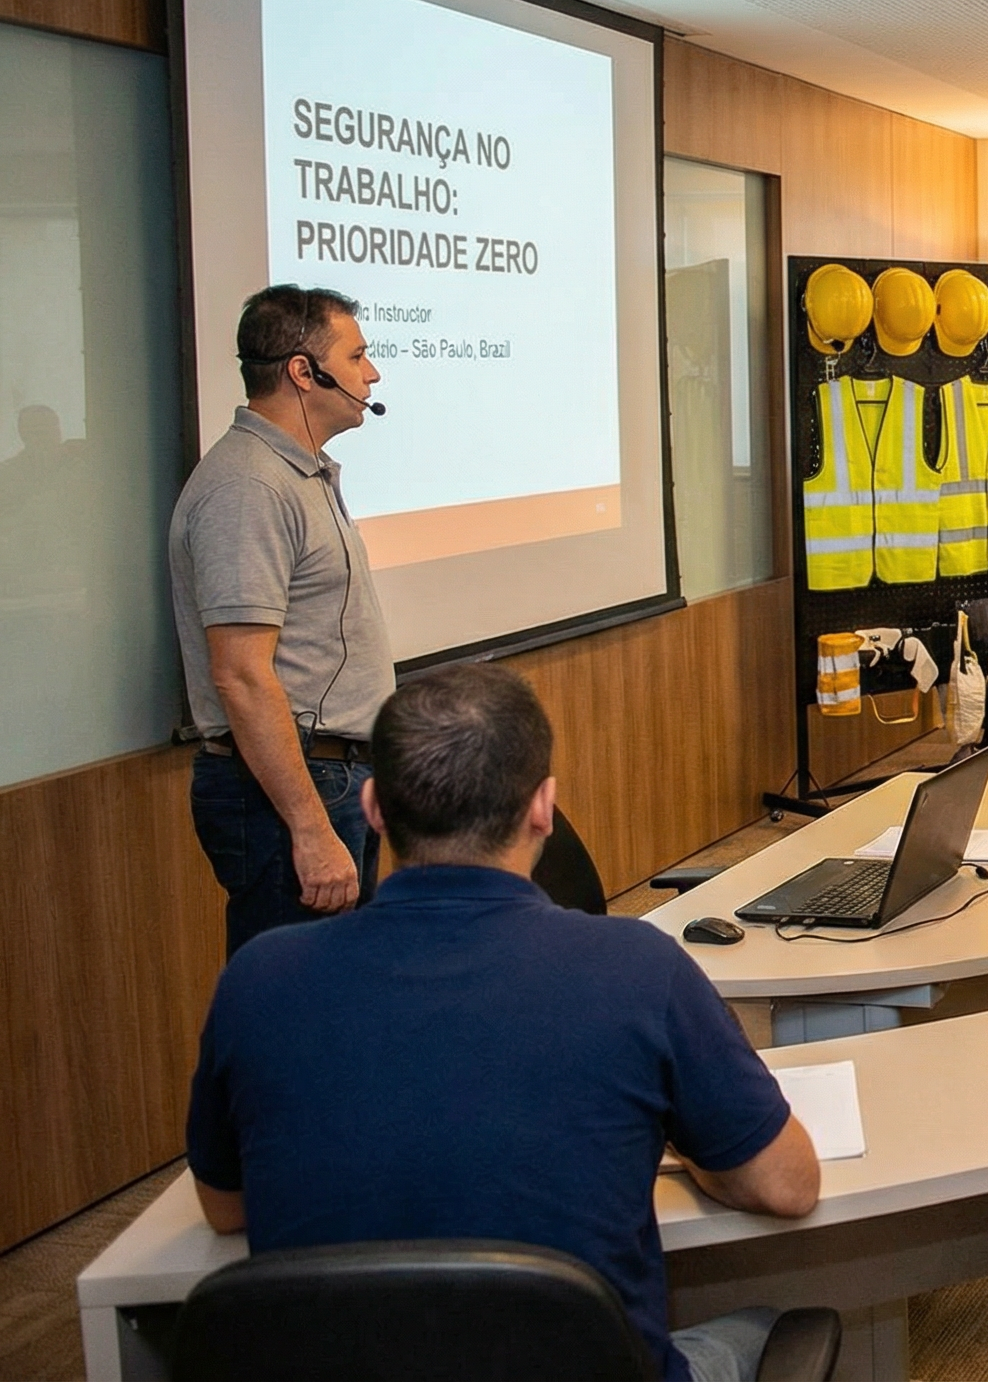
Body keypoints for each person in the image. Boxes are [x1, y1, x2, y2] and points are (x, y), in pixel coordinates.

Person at [183, 665, 823, 1382]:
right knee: (762, 1328)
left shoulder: (258, 979)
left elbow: (224, 1207)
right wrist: (689, 1147)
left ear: (373, 807)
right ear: (544, 807)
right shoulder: (639, 967)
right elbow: (786, 1185)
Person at [169, 285, 394, 957]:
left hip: (332, 778)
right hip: (293, 791)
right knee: (297, 1000)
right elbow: (240, 675)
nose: (372, 374)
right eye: (356, 356)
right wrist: (310, 828)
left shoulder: (299, 474)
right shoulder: (249, 487)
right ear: (304, 371)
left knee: (340, 991)